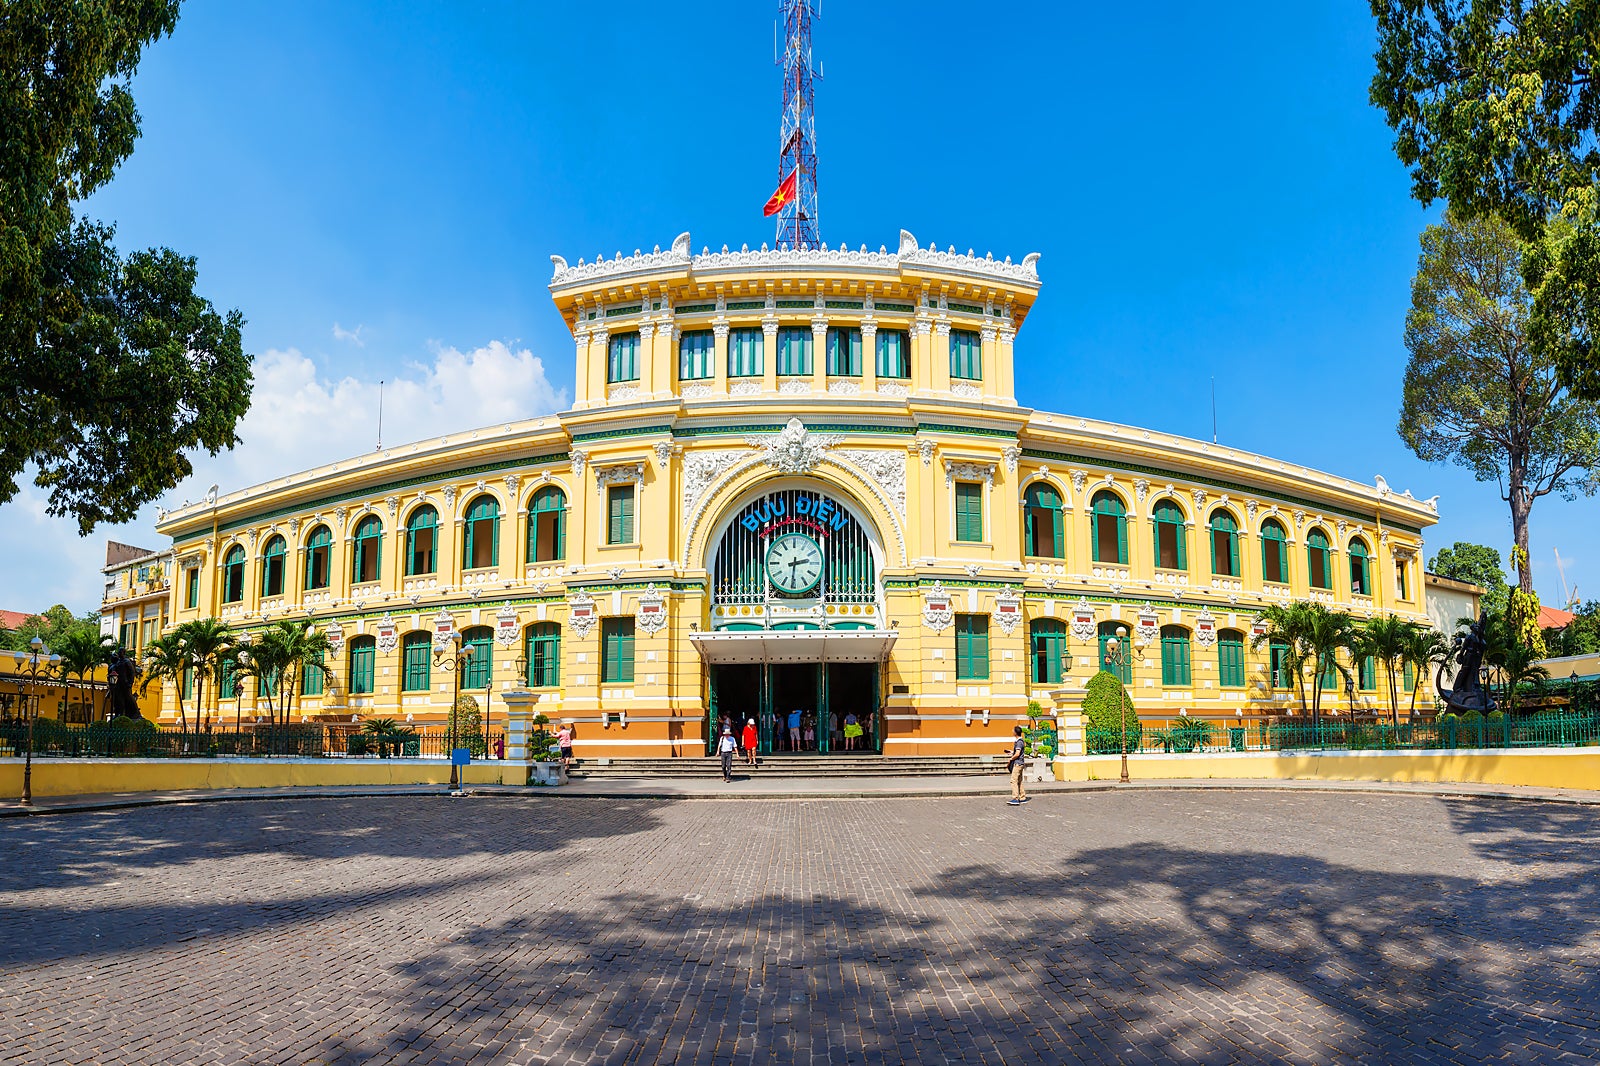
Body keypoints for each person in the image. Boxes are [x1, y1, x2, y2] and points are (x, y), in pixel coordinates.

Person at [1006, 725, 1029, 806]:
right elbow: (1018, 752)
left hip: (1018, 763)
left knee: (1013, 780)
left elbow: (1018, 754)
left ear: (1015, 732)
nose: (1012, 731)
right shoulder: (1020, 741)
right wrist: (1012, 752)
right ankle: (1023, 797)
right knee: (1019, 781)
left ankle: (1015, 798)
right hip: (1021, 763)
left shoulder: (1019, 742)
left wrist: (1011, 758)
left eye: (1013, 730)